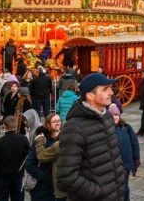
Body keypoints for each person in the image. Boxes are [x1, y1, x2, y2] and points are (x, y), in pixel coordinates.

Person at [57, 72, 126, 200]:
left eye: (110, 88)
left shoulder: (107, 117)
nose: (111, 92)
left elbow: (113, 154)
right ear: (90, 96)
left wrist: (121, 177)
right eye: (105, 89)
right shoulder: (74, 128)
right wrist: (98, 192)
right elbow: (66, 178)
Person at [109, 104, 140, 201]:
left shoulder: (126, 127)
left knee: (125, 188)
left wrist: (136, 159)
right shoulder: (106, 130)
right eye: (112, 115)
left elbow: (135, 144)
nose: (115, 117)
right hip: (113, 166)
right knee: (118, 189)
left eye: (116, 115)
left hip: (126, 164)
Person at [32, 113, 65, 201]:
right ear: (48, 125)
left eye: (59, 121)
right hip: (45, 185)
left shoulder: (61, 141)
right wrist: (42, 177)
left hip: (59, 184)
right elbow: (30, 162)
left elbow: (42, 156)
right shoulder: (45, 138)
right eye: (55, 121)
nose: (58, 123)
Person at [0, 116, 30, 201]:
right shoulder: (23, 139)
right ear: (16, 125)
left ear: (4, 126)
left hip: (2, 178)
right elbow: (27, 157)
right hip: (18, 176)